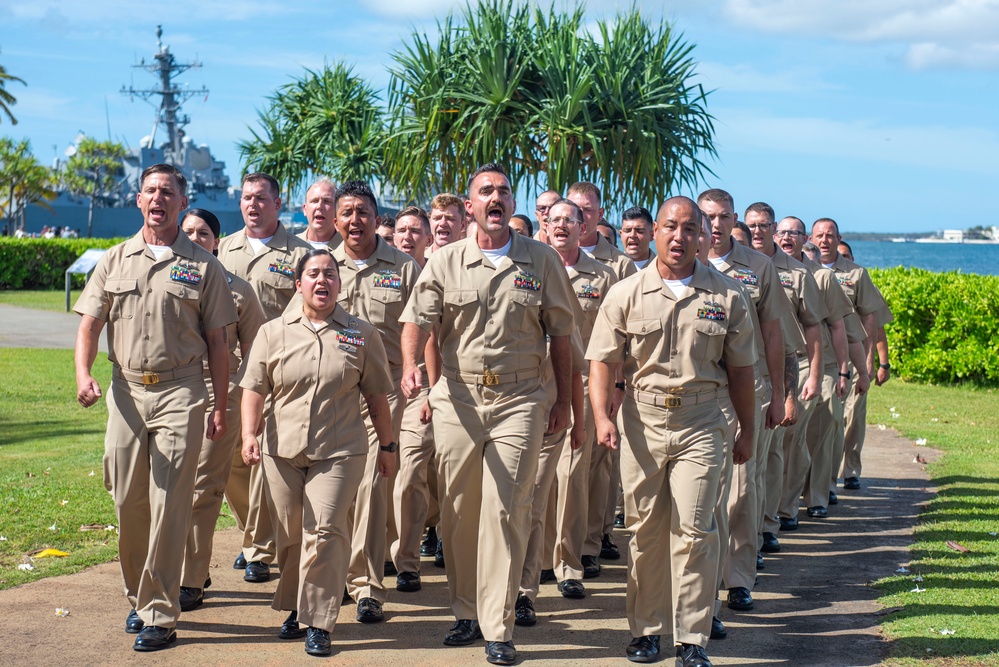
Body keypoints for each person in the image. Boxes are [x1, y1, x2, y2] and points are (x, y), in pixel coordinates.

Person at [400, 163, 576, 665]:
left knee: (506, 508)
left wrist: (563, 400)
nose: (495, 198)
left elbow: (560, 335)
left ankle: (498, 626)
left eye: (503, 191)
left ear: (512, 205)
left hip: (520, 398)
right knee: (458, 509)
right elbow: (417, 319)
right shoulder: (445, 261)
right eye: (485, 191)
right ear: (471, 206)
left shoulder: (540, 260)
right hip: (456, 397)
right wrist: (413, 367)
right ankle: (465, 612)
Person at [587, 196, 757, 667]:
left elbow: (742, 371)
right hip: (642, 421)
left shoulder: (727, 296)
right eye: (670, 227)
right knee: (644, 532)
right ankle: (646, 631)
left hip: (703, 422)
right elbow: (603, 361)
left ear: (702, 237)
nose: (679, 237)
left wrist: (746, 430)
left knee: (696, 530)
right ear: (655, 233)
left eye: (689, 229)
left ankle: (692, 638)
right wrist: (603, 417)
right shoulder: (625, 293)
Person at [74, 164, 236, 651]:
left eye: (168, 191)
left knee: (170, 503)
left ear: (182, 202)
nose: (159, 198)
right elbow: (89, 325)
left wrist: (220, 404)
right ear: (139, 201)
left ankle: (161, 612)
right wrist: (83, 374)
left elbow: (218, 344)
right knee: (128, 500)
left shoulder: (205, 266)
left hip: (182, 390)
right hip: (125, 389)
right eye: (151, 191)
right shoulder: (114, 259)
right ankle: (138, 594)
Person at [240, 249, 396, 657]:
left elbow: (377, 395)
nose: (322, 280)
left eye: (330, 273)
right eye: (313, 274)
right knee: (293, 532)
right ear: (299, 284)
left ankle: (318, 620)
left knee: (324, 530)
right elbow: (254, 388)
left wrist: (388, 444)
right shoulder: (273, 332)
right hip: (282, 450)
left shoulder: (362, 334)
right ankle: (295, 604)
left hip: (341, 449)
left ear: (339, 285)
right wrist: (248, 435)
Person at [516, 198, 615, 625]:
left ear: (583, 226)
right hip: (528, 390)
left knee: (573, 477)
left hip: (582, 385)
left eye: (568, 221)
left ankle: (569, 564)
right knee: (534, 489)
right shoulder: (524, 265)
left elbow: (615, 339)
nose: (560, 226)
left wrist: (616, 388)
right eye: (552, 220)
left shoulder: (603, 275)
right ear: (543, 223)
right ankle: (530, 568)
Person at [328, 181, 420, 622]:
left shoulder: (402, 269)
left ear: (374, 216)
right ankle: (339, 574)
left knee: (370, 483)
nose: (354, 221)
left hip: (384, 391)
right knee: (336, 489)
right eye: (346, 212)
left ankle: (366, 586)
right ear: (334, 219)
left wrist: (412, 367)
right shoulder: (322, 268)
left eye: (362, 212)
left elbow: (416, 324)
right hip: (331, 395)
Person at [217, 172, 312, 582]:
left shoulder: (300, 253)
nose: (252, 205)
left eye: (260, 198)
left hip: (281, 372)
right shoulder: (224, 251)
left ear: (278, 202)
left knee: (265, 457)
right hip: (234, 370)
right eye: (246, 198)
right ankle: (251, 530)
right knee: (232, 463)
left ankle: (258, 549)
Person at [699, 188, 788, 615]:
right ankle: (704, 584)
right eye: (707, 216)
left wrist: (777, 393)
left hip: (747, 388)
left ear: (733, 219)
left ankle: (737, 577)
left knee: (741, 488)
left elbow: (773, 332)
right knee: (703, 493)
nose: (714, 225)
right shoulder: (682, 262)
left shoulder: (758, 266)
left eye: (722, 217)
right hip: (699, 389)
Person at [178, 209, 265, 613]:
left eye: (204, 233)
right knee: (164, 487)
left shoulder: (240, 291)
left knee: (203, 487)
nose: (195, 238)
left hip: (220, 394)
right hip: (173, 390)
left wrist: (240, 398)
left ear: (217, 241)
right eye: (188, 231)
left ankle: (189, 579)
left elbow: (256, 354)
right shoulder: (164, 277)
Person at [746, 204, 825, 556]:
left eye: (764, 225)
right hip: (742, 370)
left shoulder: (797, 272)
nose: (759, 231)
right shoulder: (737, 268)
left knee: (773, 452)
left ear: (773, 228)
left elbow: (813, 327)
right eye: (752, 226)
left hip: (782, 368)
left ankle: (767, 523)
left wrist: (813, 377)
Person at [568, 181, 636, 579]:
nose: (582, 216)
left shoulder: (617, 265)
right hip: (555, 378)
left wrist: (619, 385)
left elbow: (622, 338)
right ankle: (559, 548)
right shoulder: (547, 257)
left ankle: (592, 542)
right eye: (576, 208)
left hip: (600, 379)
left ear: (598, 212)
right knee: (564, 471)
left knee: (597, 468)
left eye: (589, 210)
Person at [389, 207, 443, 586]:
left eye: (415, 231)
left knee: (413, 472)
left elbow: (431, 338)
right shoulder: (384, 270)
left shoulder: (435, 275)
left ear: (429, 238)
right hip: (378, 387)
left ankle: (407, 560)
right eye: (401, 230)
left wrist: (432, 393)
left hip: (421, 387)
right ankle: (391, 553)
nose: (407, 236)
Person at [810, 218, 884, 492]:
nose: (825, 240)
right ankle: (821, 483)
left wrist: (867, 362)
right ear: (811, 237)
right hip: (815, 359)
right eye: (819, 235)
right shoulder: (803, 270)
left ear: (838, 238)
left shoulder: (856, 274)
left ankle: (848, 471)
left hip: (849, 359)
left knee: (850, 419)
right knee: (828, 423)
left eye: (830, 235)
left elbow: (869, 319)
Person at [298, 179, 341, 250]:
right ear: (305, 209)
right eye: (315, 201)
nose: (319, 206)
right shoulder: (291, 246)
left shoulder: (349, 248)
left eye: (327, 201)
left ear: (337, 209)